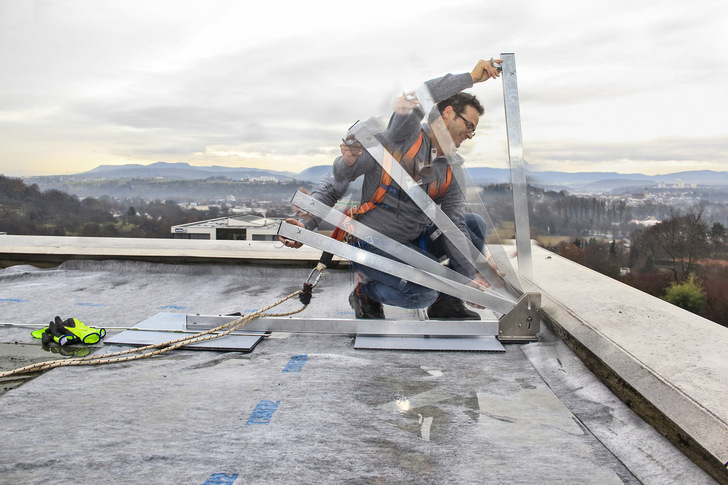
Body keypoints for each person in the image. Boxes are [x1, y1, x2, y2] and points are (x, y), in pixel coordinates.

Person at [283, 59, 502, 319]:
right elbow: (334, 182)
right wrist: (305, 223)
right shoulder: (403, 136)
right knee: (422, 293)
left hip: (412, 241)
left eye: (473, 132)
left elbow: (454, 225)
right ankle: (366, 292)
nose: (469, 135)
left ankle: (448, 303)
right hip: (373, 243)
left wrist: (469, 278)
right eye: (469, 126)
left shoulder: (450, 169)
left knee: (473, 224)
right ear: (447, 113)